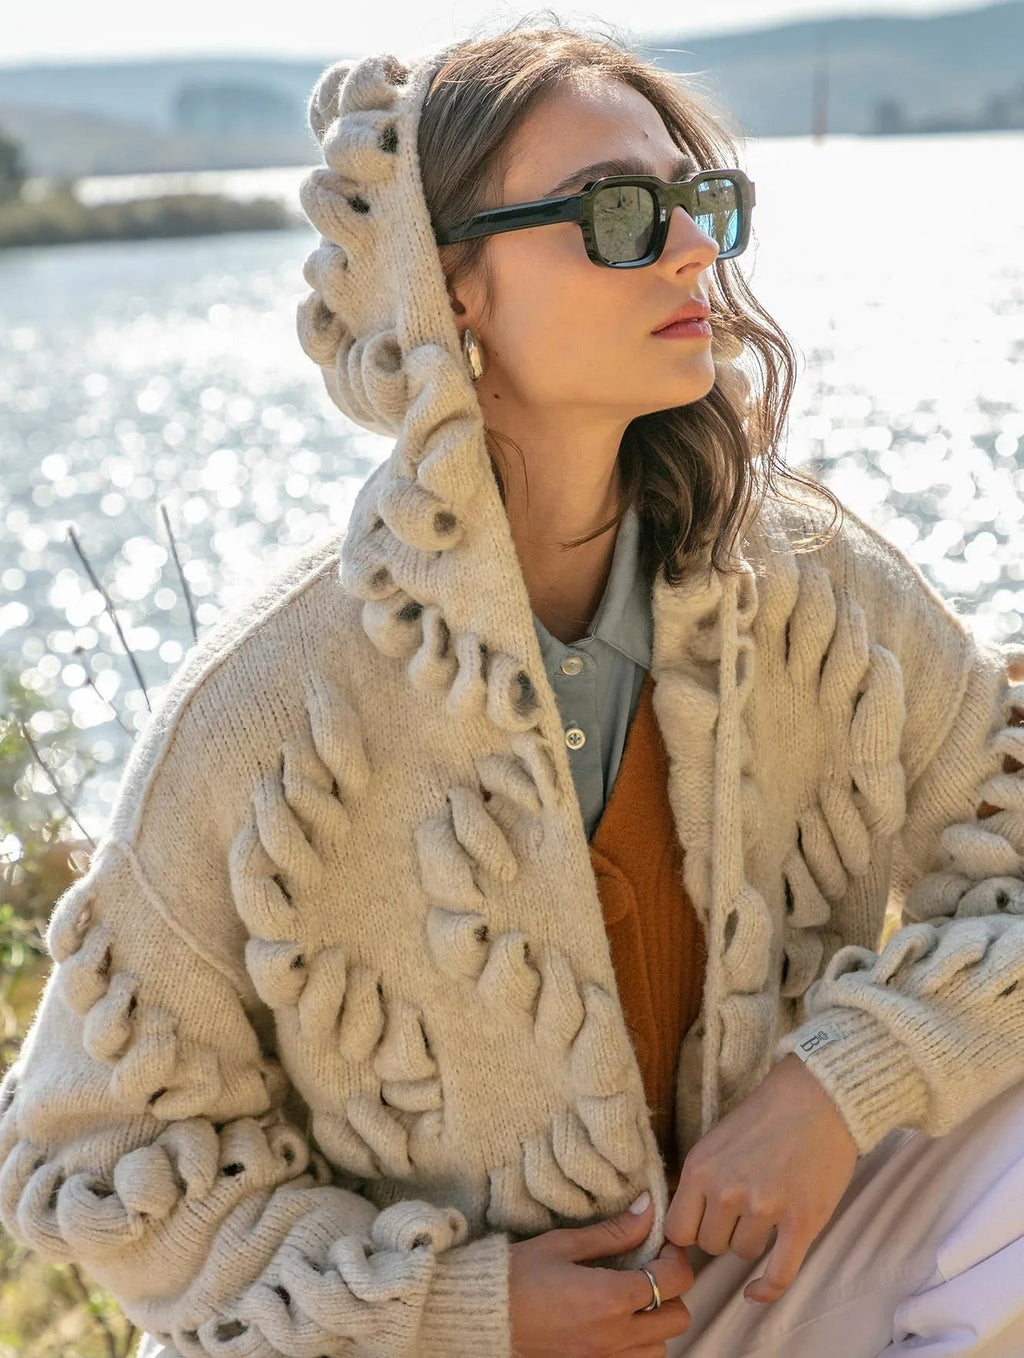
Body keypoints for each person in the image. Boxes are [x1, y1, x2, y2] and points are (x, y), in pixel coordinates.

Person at [2, 17, 1024, 1358]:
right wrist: (452, 1309)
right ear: (451, 286)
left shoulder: (814, 582)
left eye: (700, 201)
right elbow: (89, 1161)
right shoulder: (267, 708)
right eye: (617, 211)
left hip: (752, 1290)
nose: (693, 248)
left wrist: (842, 1082)